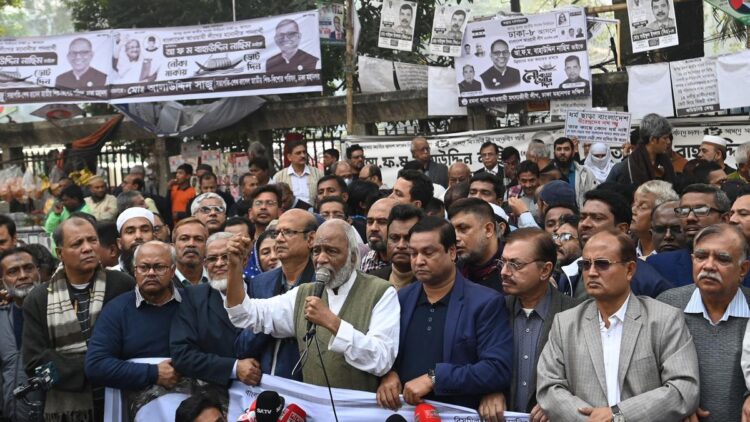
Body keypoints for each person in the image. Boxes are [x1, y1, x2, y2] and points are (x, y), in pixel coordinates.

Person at [537, 229, 699, 421]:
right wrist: (592, 420)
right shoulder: (566, 323)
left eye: (602, 264)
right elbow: (549, 387)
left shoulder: (664, 319)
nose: (592, 272)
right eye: (586, 265)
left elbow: (684, 388)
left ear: (630, 270)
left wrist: (618, 415)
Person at [224, 219, 400, 392]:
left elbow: (382, 360)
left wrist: (332, 323)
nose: (321, 259)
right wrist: (234, 267)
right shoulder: (304, 293)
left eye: (331, 251)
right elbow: (244, 315)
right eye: (316, 251)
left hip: (357, 412)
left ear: (353, 257)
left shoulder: (381, 292)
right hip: (314, 410)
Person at [376, 216, 512, 418]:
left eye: (428, 252)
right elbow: (383, 350)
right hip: (404, 414)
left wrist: (435, 377)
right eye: (414, 253)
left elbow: (497, 368)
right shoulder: (400, 299)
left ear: (452, 252)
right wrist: (388, 373)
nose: (419, 260)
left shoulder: (485, 303)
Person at [22, 217, 134, 421]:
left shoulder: (121, 285)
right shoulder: (39, 298)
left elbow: (134, 342)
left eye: (92, 240)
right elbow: (35, 363)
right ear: (59, 253)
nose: (88, 248)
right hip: (69, 407)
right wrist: (98, 365)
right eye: (77, 244)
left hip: (119, 395)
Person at [658, 224, 750, 422]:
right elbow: (646, 370)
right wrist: (675, 402)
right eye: (701, 257)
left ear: (743, 269)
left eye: (722, 259)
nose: (708, 266)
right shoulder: (667, 305)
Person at [84, 241, 182, 391]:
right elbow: (96, 365)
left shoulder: (191, 303)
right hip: (136, 404)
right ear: (135, 271)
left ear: (173, 270)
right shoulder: (117, 310)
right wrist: (152, 373)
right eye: (143, 267)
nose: (151, 273)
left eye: (159, 267)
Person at [500, 228, 578, 415]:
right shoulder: (495, 309)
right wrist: (489, 392)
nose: (504, 272)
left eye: (515, 264)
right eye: (502, 262)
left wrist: (557, 403)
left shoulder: (575, 314)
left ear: (545, 270)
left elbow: (586, 377)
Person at [235, 210, 319, 381]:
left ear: (310, 239)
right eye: (276, 233)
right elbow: (242, 346)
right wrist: (270, 319)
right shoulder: (260, 283)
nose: (279, 239)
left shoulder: (321, 283)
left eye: (288, 232)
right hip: (264, 387)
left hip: (307, 388)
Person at [171, 233, 261, 387]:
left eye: (226, 257)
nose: (219, 263)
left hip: (262, 390)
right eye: (212, 259)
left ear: (244, 260)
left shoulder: (262, 291)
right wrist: (233, 367)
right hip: (212, 394)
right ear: (205, 265)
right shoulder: (192, 297)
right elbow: (182, 354)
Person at [558, 189, 673, 299]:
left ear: (622, 229)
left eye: (597, 218)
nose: (585, 224)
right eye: (582, 217)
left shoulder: (648, 282)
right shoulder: (569, 275)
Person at [647, 184, 737, 287]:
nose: (690, 218)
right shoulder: (660, 265)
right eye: (684, 211)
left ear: (725, 219)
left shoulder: (743, 265)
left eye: (701, 210)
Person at [0, 246, 42, 422]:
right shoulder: (2, 317)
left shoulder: (60, 312)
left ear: (38, 272)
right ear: (2, 281)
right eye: (13, 271)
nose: (23, 275)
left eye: (29, 268)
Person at [449, 198, 504, 292]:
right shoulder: (453, 272)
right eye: (452, 231)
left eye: (463, 228)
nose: (455, 237)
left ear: (488, 230)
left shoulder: (511, 271)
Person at [607, 113, 676, 185]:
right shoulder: (623, 168)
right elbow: (606, 192)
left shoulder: (666, 163)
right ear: (652, 140)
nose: (668, 142)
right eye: (665, 138)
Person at [370, 204, 424, 290]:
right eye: (395, 238)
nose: (401, 245)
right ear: (387, 239)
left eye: (408, 238)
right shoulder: (372, 281)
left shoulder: (431, 284)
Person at [630, 180, 679, 258]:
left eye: (643, 207)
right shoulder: (625, 249)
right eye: (634, 204)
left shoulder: (673, 257)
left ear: (662, 213)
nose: (633, 210)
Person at [273, 140, 323, 206]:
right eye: (298, 153)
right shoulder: (279, 176)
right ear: (289, 157)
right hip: (288, 214)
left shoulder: (318, 174)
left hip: (313, 213)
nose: (303, 155)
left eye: (304, 152)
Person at [552, 137, 597, 209]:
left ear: (573, 153)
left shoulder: (585, 172)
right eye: (559, 149)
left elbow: (594, 196)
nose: (562, 152)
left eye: (566, 149)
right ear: (554, 153)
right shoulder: (547, 174)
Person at [361, 198, 399, 273]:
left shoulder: (407, 262)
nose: (373, 228)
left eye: (382, 222)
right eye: (370, 222)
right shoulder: (367, 258)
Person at [115, 207, 155, 276]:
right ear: (119, 243)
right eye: (130, 232)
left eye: (145, 230)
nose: (138, 236)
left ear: (154, 238)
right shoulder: (112, 276)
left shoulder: (167, 274)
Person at [172, 218, 209, 288]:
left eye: (198, 239)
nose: (191, 244)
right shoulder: (164, 282)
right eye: (184, 239)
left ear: (207, 246)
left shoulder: (216, 279)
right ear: (173, 246)